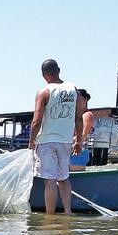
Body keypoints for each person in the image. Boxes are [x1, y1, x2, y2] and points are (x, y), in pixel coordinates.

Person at [28, 58, 82, 214]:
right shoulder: (73, 89)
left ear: (44, 75)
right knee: (64, 178)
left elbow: (36, 121)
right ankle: (67, 211)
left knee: (50, 181)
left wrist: (31, 142)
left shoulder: (44, 92)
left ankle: (50, 216)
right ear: (59, 70)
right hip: (65, 141)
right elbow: (79, 118)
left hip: (46, 141)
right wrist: (79, 141)